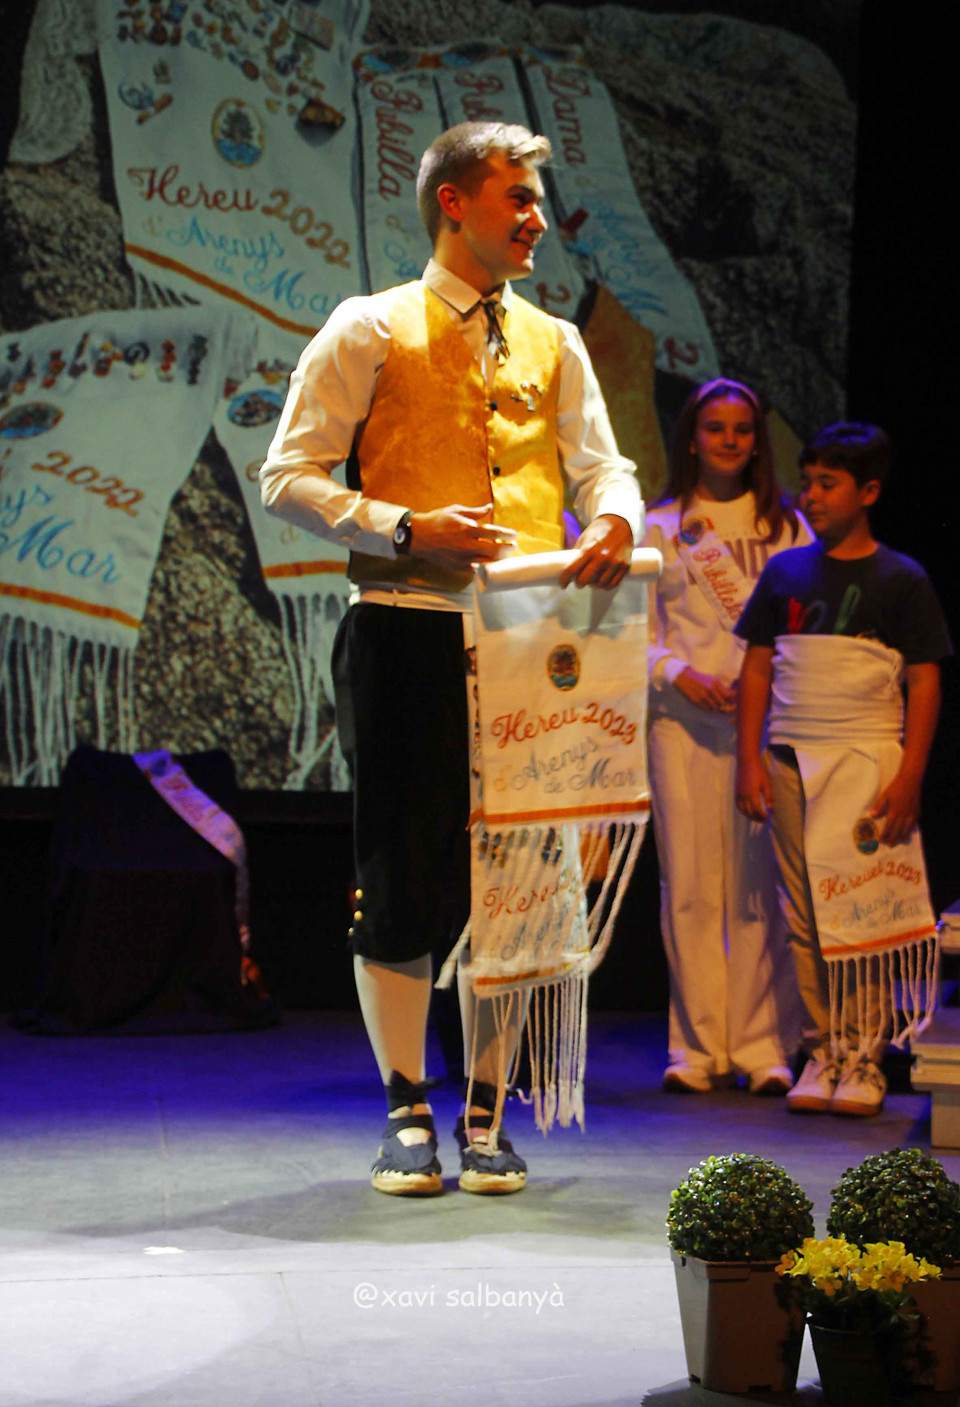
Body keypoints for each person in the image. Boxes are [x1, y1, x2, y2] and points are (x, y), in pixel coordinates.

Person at [260, 121, 642, 1195]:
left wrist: (615, 519)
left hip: (526, 636)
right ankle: (404, 1108)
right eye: (516, 198)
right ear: (453, 203)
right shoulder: (370, 325)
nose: (536, 219)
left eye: (536, 200)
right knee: (401, 872)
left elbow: (603, 466)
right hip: (406, 624)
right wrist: (401, 525)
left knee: (517, 877)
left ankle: (486, 1111)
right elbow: (286, 475)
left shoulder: (555, 341)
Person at [735, 422, 951, 1117]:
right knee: (805, 915)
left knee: (861, 906)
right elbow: (758, 667)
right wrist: (749, 760)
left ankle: (865, 1054)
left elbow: (923, 680)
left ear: (870, 492)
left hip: (866, 764)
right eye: (808, 482)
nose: (812, 496)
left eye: (828, 484)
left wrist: (909, 775)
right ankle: (822, 1048)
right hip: (793, 761)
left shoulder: (902, 578)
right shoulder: (784, 573)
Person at [645, 378, 808, 1096]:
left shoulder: (787, 529)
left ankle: (763, 1045)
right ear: (691, 438)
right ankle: (696, 1048)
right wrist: (676, 673)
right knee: (687, 886)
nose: (730, 440)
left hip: (763, 727)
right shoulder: (658, 526)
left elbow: (805, 624)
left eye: (743, 429)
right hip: (679, 723)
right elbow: (630, 632)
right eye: (716, 428)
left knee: (758, 888)